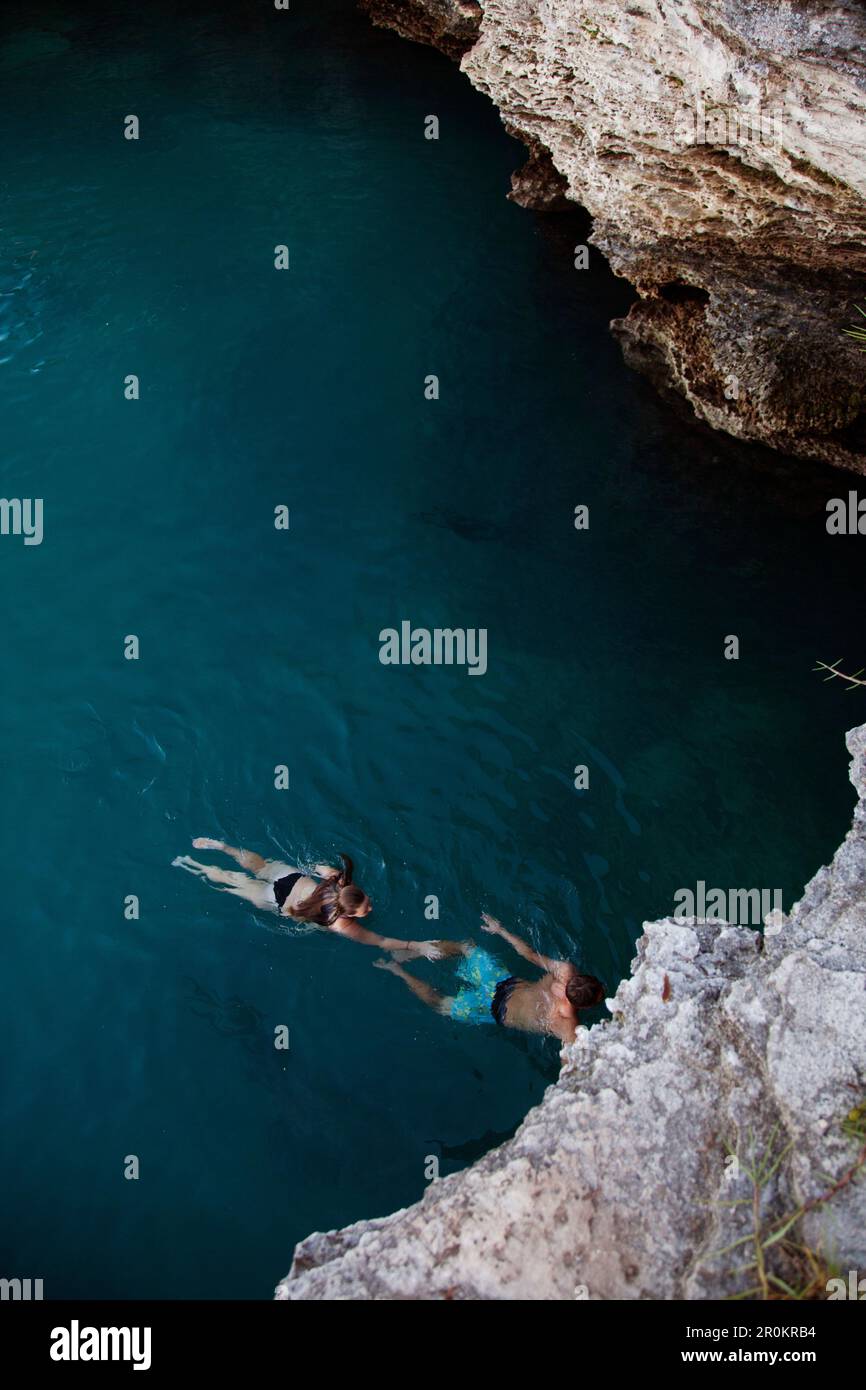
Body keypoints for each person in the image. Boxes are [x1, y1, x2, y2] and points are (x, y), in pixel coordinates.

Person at [172, 839, 442, 959]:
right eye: (365, 908)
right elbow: (380, 941)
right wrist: (416, 946)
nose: (369, 909)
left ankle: (223, 847)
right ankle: (194, 864)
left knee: (260, 867)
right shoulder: (339, 924)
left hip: (289, 877)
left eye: (367, 904)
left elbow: (322, 868)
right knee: (233, 882)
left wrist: (319, 869)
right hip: (274, 899)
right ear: (347, 912)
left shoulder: (341, 882)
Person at [374, 911, 604, 1044]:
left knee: (465, 948)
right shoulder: (568, 1025)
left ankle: (412, 953)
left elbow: (527, 953)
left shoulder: (564, 971)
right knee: (440, 1004)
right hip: (491, 1010)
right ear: (587, 1005)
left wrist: (500, 930)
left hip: (502, 982)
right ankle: (397, 971)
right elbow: (569, 1063)